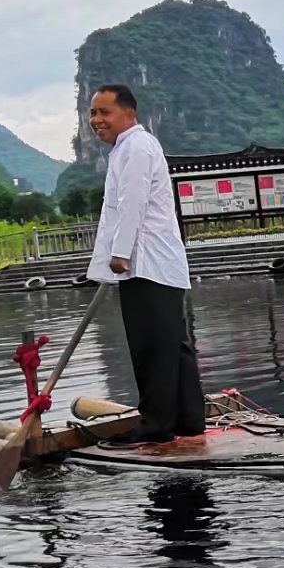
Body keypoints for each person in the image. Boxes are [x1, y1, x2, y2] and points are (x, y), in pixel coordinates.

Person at [86, 83, 205, 444]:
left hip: (145, 264)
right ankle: (189, 420)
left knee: (153, 346)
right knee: (172, 345)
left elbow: (132, 203)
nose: (96, 120)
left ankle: (156, 426)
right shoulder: (129, 148)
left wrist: (120, 254)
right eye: (92, 113)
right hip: (156, 265)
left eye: (104, 112)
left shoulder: (136, 146)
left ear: (129, 113)